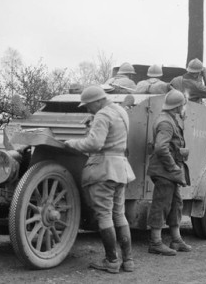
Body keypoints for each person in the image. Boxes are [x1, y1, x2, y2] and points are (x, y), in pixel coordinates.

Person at [64, 85, 136, 273]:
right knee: (119, 214)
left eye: (88, 105)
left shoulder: (103, 115)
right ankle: (128, 261)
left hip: (104, 169)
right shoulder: (121, 111)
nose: (88, 109)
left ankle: (111, 261)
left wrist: (72, 143)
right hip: (121, 169)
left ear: (98, 101)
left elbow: (94, 144)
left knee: (104, 215)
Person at [147, 89, 191, 256]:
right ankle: (155, 242)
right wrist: (174, 169)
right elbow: (160, 147)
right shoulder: (166, 122)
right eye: (182, 105)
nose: (183, 108)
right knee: (162, 204)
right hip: (164, 170)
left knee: (176, 204)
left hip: (168, 170)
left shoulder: (171, 119)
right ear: (178, 106)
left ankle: (176, 240)